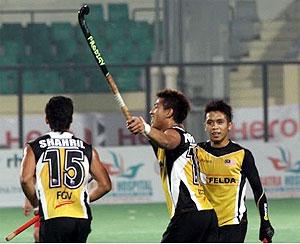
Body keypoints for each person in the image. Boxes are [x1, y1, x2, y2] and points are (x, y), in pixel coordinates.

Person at [126, 88, 218, 242]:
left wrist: (145, 127)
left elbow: (168, 141)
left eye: (156, 107)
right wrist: (143, 129)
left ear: (169, 112)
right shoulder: (186, 136)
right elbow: (158, 138)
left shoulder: (175, 134)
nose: (151, 111)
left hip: (188, 214)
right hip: (206, 214)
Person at [20, 96, 112, 243]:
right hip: (81, 219)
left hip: (52, 217)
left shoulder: (34, 147)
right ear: (70, 119)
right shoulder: (87, 149)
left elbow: (25, 180)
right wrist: (83, 199)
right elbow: (105, 185)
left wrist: (37, 203)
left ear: (46, 119)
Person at [194, 99, 274, 242]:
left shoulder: (243, 155)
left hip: (234, 224)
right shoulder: (196, 152)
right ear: (205, 126)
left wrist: (265, 221)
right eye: (210, 123)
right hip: (205, 223)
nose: (215, 127)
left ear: (229, 125)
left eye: (220, 122)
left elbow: (259, 192)